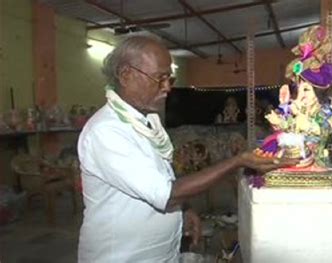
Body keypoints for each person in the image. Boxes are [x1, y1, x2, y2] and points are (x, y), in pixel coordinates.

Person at [77, 33, 296, 262]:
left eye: (169, 79)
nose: (167, 88)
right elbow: (167, 193)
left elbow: (161, 175)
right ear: (126, 75)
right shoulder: (106, 131)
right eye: (159, 78)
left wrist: (185, 209)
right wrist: (238, 161)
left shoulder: (147, 121)